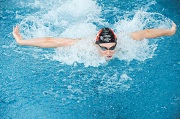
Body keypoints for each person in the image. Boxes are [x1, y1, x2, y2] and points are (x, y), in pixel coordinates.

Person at [13, 22, 176, 59]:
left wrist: (169, 32)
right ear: (96, 44)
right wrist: (22, 41)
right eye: (104, 48)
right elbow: (50, 41)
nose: (109, 52)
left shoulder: (125, 40)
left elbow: (147, 33)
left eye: (112, 47)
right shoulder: (83, 45)